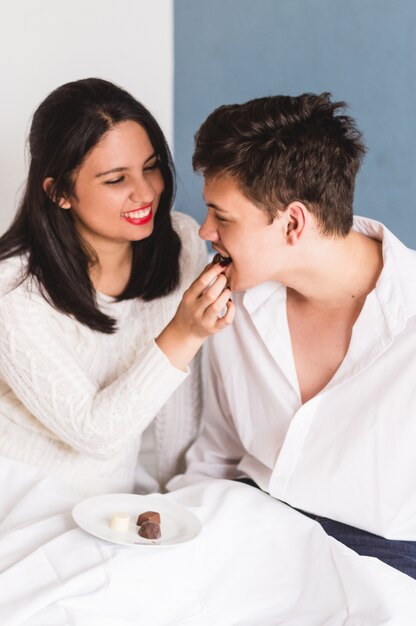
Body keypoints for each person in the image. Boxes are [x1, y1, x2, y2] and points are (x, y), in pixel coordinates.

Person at [169, 93, 416, 578]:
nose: (204, 231)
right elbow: (218, 453)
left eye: (222, 216)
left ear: (294, 222)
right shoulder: (231, 303)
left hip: (382, 567)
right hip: (246, 528)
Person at [0, 78, 234, 498]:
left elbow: (175, 408)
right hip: (20, 504)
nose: (146, 192)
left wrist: (174, 500)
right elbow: (95, 435)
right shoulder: (11, 291)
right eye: (115, 180)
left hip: (113, 508)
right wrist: (183, 333)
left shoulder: (179, 240)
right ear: (58, 193)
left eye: (150, 166)